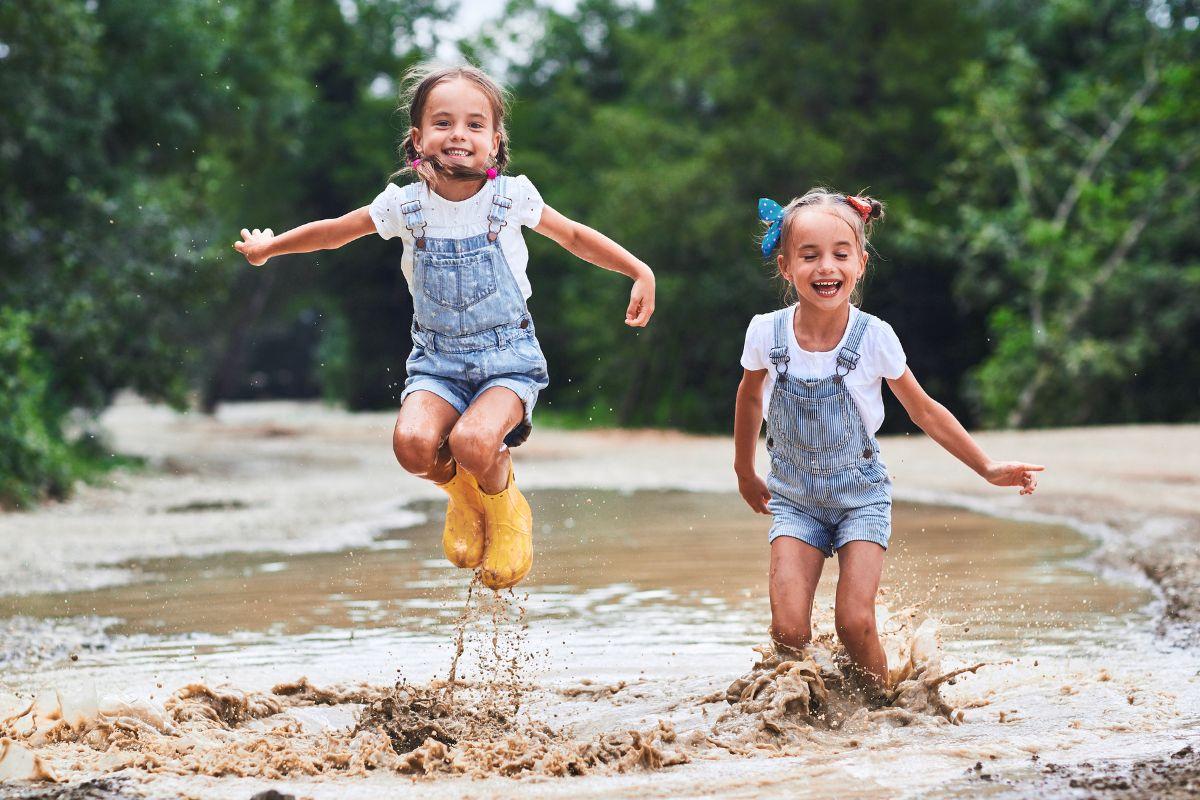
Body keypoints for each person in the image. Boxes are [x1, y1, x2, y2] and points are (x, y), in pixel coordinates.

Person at [234, 63, 655, 591]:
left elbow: (572, 236)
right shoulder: (404, 205)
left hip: (507, 358)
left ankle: (507, 509)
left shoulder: (511, 198)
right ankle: (465, 499)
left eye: (475, 125)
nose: (459, 134)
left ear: (495, 143)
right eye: (443, 122)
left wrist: (638, 270)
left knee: (473, 441)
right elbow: (336, 232)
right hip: (436, 361)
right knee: (412, 445)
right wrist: (271, 247)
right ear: (418, 139)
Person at [733, 188, 1041, 692]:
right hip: (794, 500)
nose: (826, 266)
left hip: (861, 499)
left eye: (840, 254)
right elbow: (749, 399)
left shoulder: (874, 337)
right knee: (788, 632)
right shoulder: (766, 334)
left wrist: (987, 467)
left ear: (860, 262)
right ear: (785, 266)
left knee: (854, 623)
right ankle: (806, 712)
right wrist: (745, 470)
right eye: (809, 256)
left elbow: (924, 410)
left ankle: (883, 707)